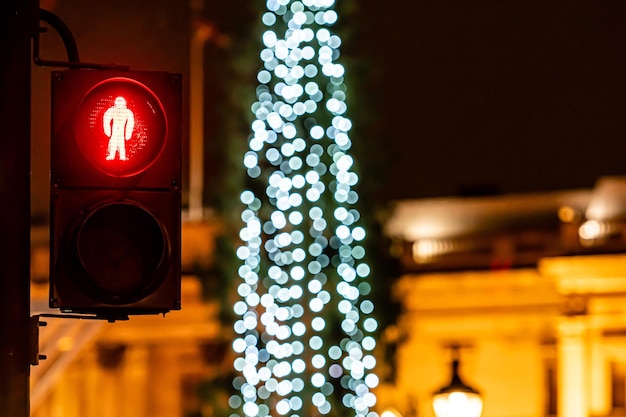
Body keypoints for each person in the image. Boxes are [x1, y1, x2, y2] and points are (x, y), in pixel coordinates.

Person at [103, 96, 135, 161]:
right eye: (118, 103)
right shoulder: (112, 110)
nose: (119, 105)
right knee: (114, 141)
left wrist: (128, 133)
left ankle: (122, 156)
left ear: (124, 104)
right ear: (115, 103)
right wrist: (107, 130)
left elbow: (130, 122)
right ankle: (112, 155)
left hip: (121, 129)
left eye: (121, 103)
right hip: (115, 128)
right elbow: (106, 119)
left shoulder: (127, 112)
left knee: (121, 142)